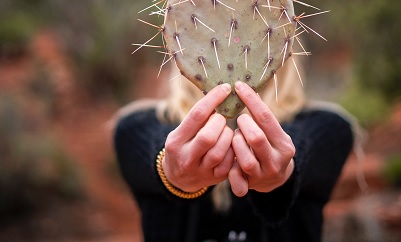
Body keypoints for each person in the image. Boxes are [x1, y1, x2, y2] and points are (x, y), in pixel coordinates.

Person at [113, 52, 355, 242]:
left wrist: (286, 166)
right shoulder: (136, 127)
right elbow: (154, 144)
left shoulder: (328, 127)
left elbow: (303, 144)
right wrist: (169, 166)